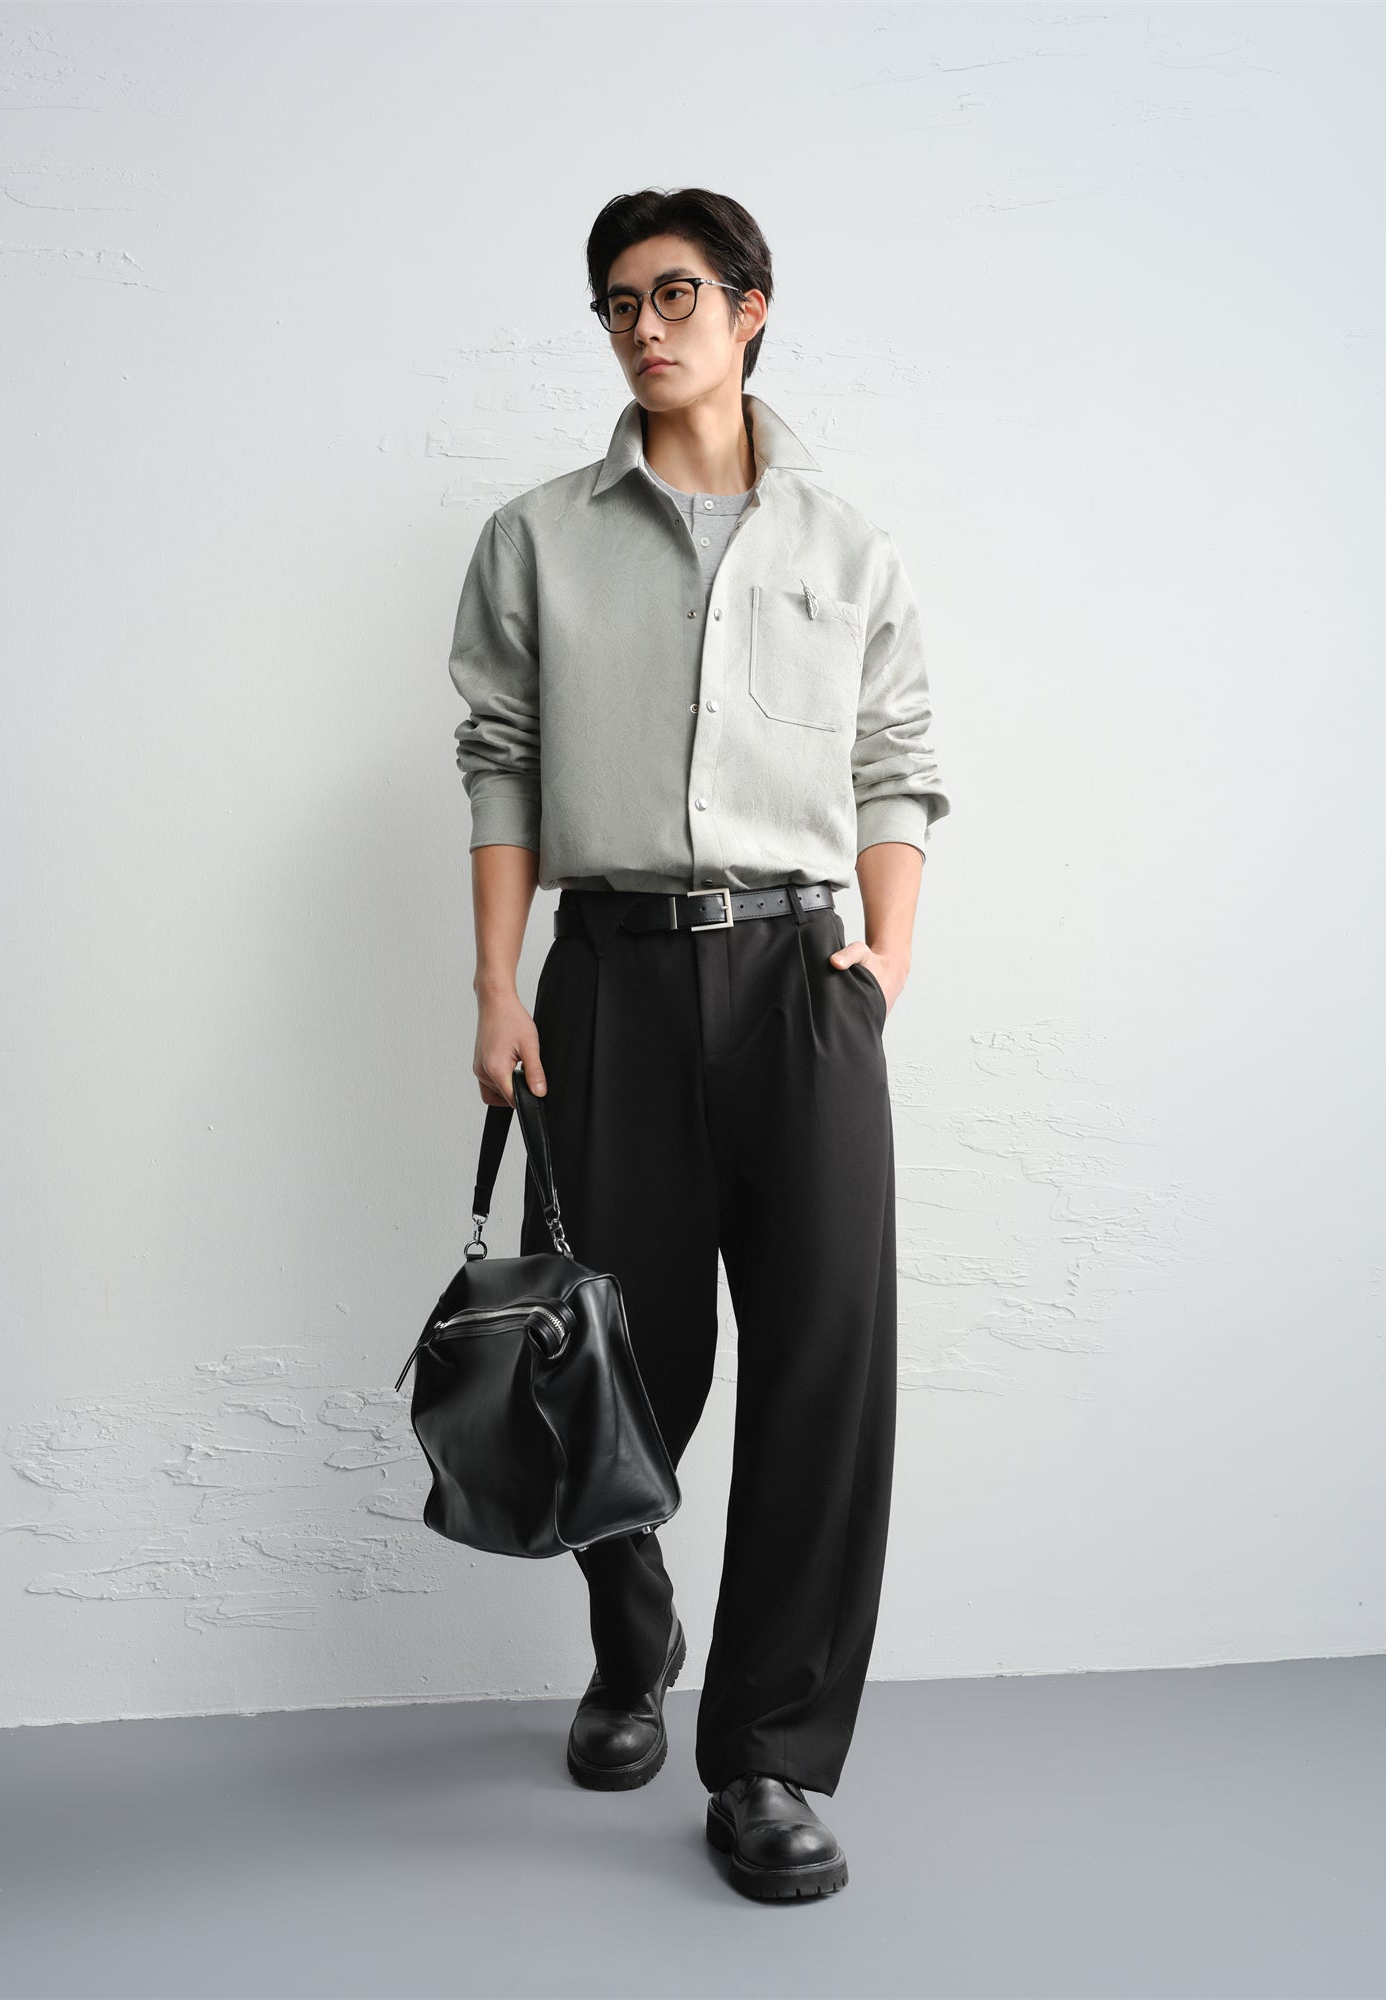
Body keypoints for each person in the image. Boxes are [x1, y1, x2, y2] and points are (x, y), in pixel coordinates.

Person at [446, 186, 950, 1902]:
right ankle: (633, 1625)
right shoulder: (536, 538)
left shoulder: (844, 544)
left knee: (825, 1367)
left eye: (674, 294)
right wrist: (498, 983)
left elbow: (897, 762)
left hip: (804, 980)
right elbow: (501, 758)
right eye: (617, 303)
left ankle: (768, 1760)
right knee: (612, 1356)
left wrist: (886, 959)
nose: (643, 327)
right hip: (610, 979)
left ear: (750, 308)